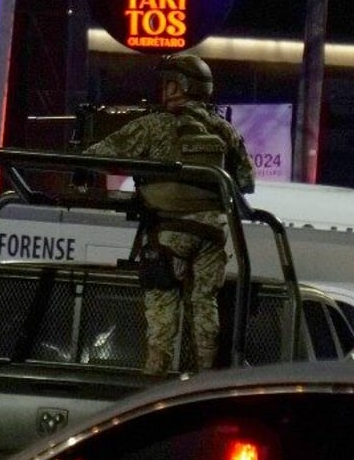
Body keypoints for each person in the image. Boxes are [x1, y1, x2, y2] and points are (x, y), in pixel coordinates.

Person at [82, 54, 255, 374]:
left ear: (179, 87)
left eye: (167, 84)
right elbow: (247, 181)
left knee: (162, 312)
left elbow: (96, 156)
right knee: (205, 305)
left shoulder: (153, 126)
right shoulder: (223, 129)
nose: (163, 90)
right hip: (213, 236)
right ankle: (205, 379)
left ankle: (155, 382)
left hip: (167, 234)